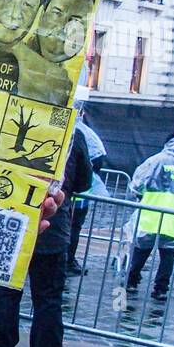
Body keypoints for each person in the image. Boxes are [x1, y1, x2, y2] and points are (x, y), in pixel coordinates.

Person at [0, 126, 93, 347]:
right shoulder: (74, 134)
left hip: (13, 223)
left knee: (6, 294)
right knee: (49, 301)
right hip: (54, 232)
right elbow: (85, 181)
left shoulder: (11, 125)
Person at [125, 132, 174, 303]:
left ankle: (132, 281)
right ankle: (160, 289)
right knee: (168, 255)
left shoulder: (156, 160)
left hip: (151, 212)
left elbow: (138, 184)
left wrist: (143, 196)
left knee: (141, 249)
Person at [20, 0, 98, 106]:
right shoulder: (11, 57)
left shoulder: (80, 72)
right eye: (57, 13)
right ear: (41, 15)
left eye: (76, 20)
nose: (62, 27)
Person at [68, 112, 108, 275]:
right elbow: (96, 162)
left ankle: (68, 260)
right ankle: (68, 261)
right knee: (74, 226)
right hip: (78, 193)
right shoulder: (81, 133)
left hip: (70, 192)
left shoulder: (78, 132)